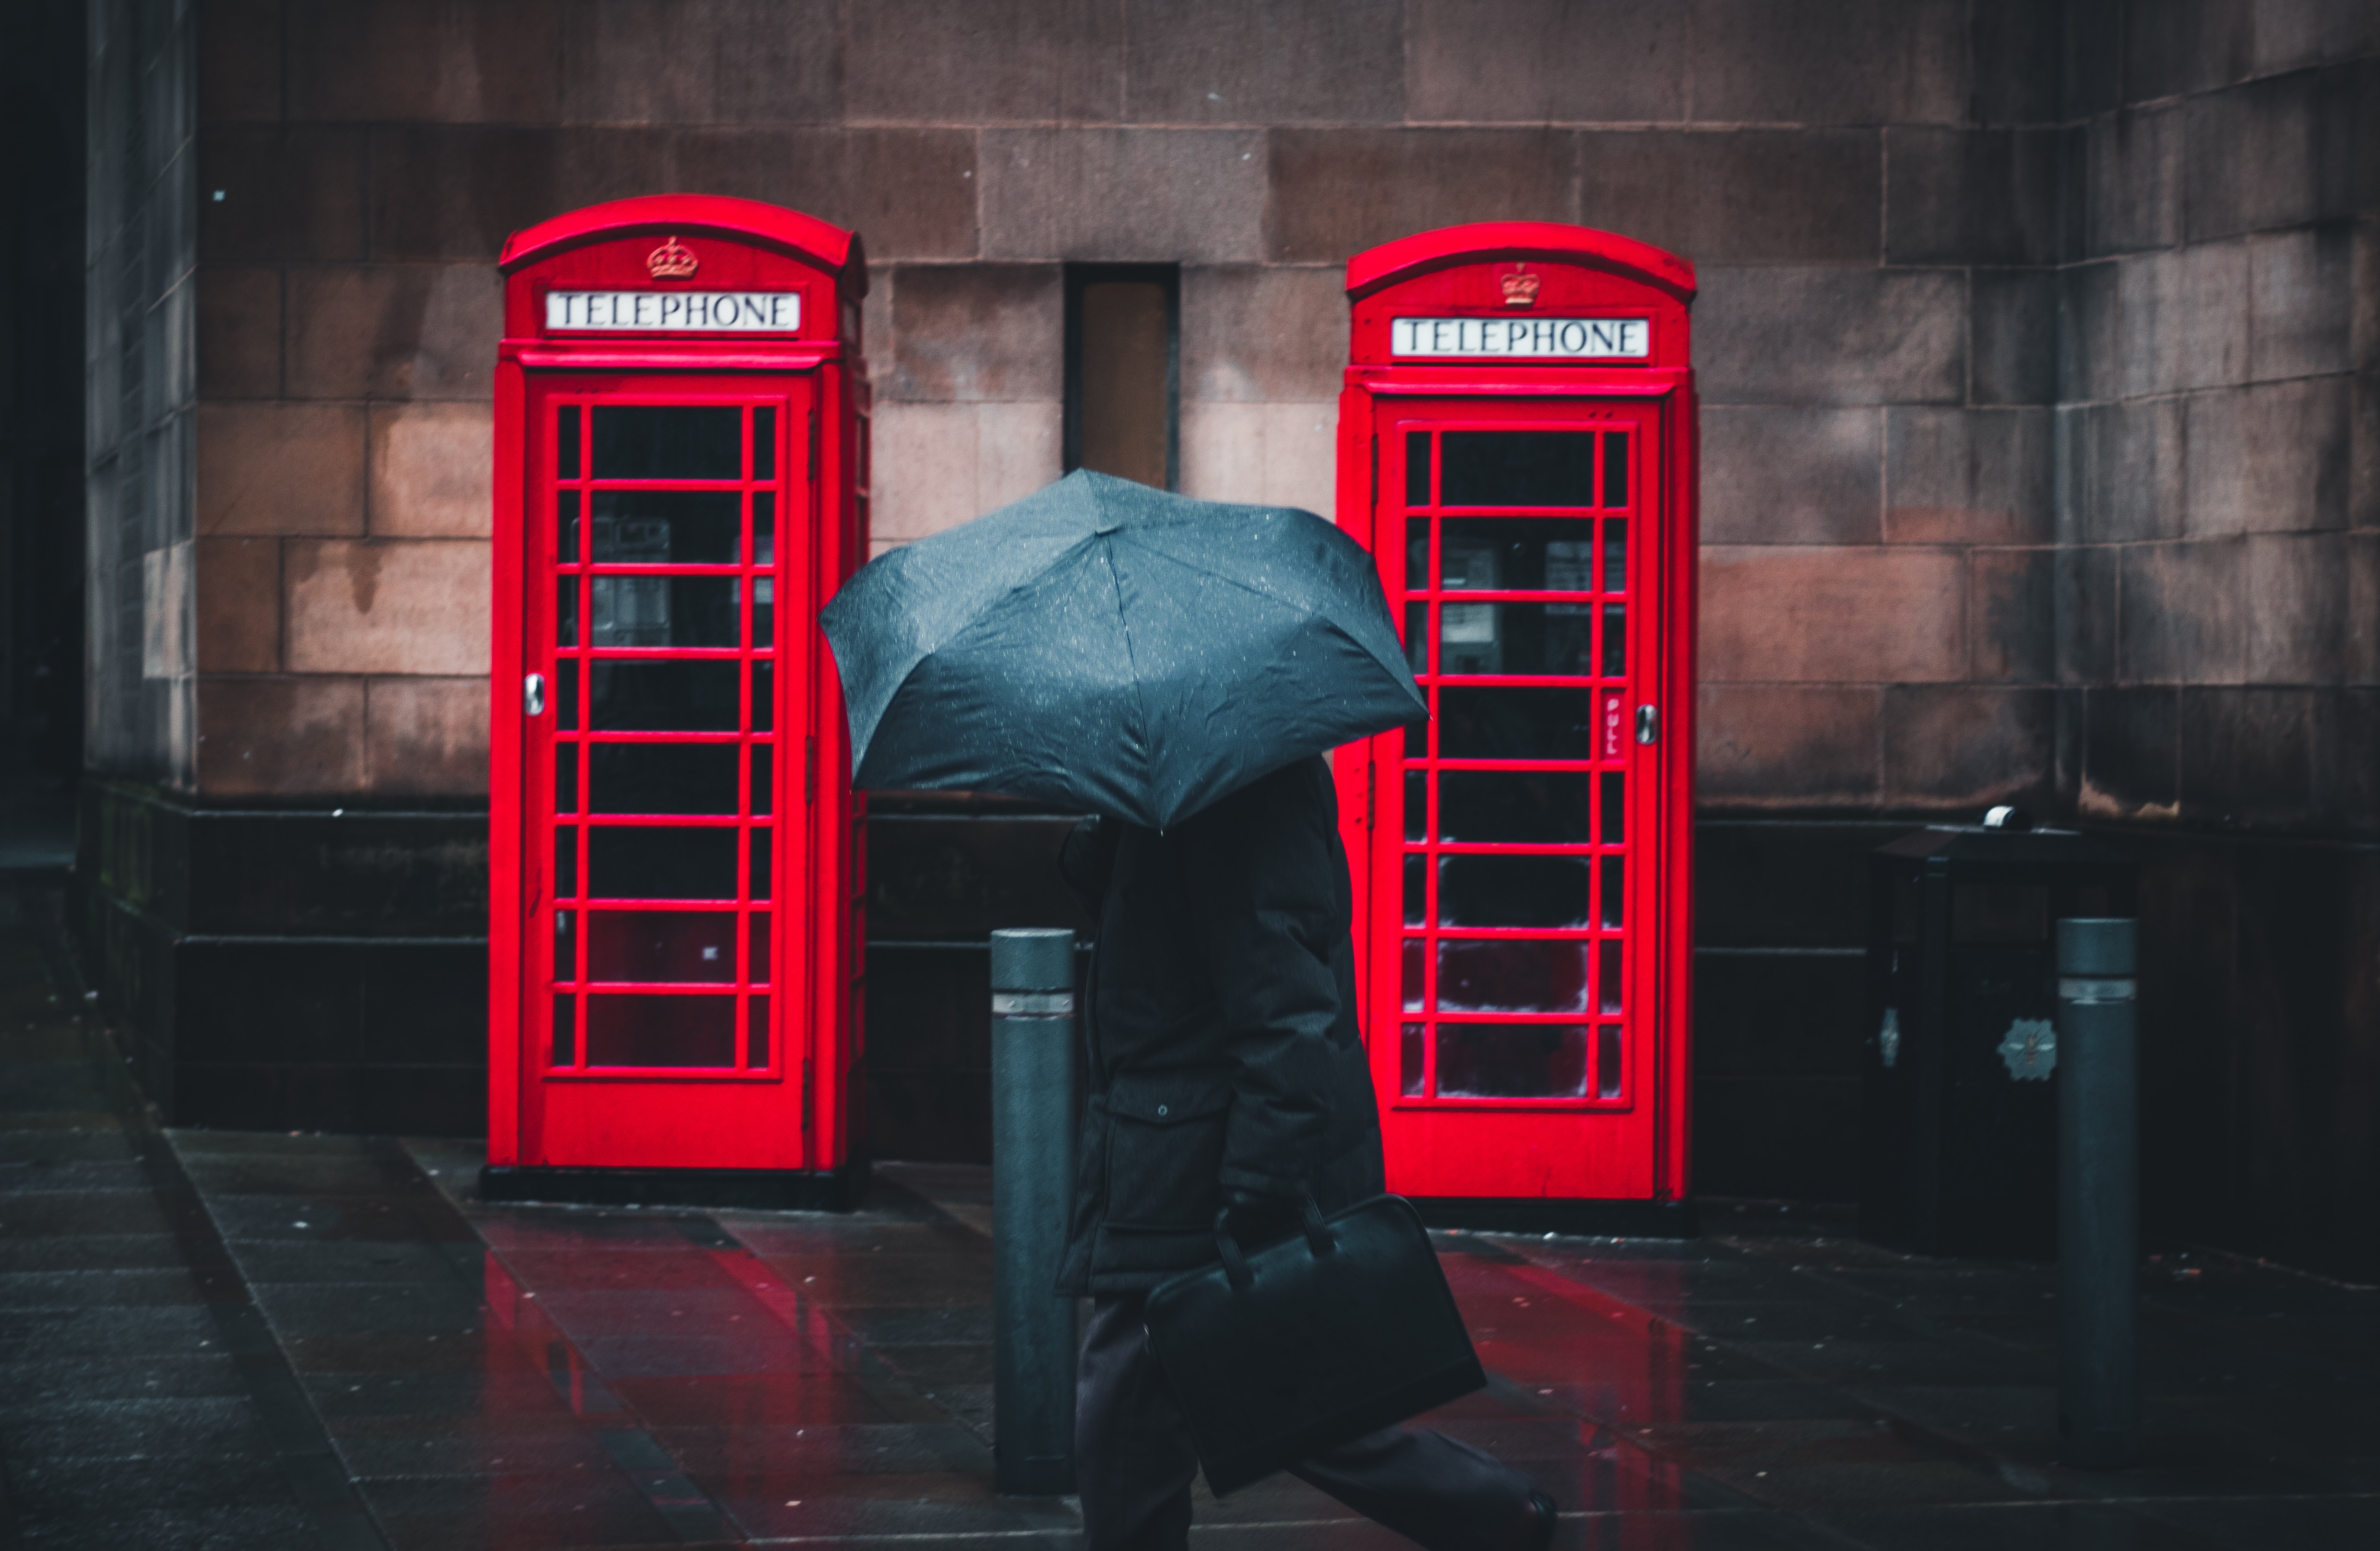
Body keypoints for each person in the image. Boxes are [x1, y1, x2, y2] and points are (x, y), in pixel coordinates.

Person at [1057, 756, 1557, 1551]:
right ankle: (1498, 1515)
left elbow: (1288, 1008)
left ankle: (1498, 1514)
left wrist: (1258, 1186)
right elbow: (1164, 938)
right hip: (1175, 1143)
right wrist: (1108, 831)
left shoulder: (1240, 786)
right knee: (1282, 1401)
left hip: (1204, 1159)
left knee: (1130, 1414)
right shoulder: (1183, 784)